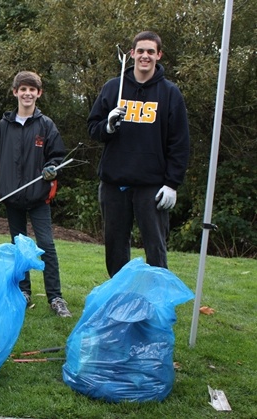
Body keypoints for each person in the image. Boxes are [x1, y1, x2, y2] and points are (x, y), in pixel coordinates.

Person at [87, 31, 190, 278]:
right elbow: (94, 128)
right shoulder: (113, 88)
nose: (145, 56)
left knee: (155, 248)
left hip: (152, 185)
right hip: (114, 183)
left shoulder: (169, 93)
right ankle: (119, 299)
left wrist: (172, 183)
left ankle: (158, 302)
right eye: (140, 51)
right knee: (115, 248)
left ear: (159, 55)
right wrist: (108, 126)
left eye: (150, 52)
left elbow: (180, 143)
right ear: (131, 54)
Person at [0, 71, 71, 317]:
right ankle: (23, 291)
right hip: (12, 198)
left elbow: (57, 156)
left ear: (38, 94)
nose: (27, 93)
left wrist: (52, 169)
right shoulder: (4, 126)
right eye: (23, 89)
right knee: (18, 248)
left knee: (46, 246)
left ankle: (55, 297)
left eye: (32, 89)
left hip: (38, 198)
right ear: (15, 92)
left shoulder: (46, 125)